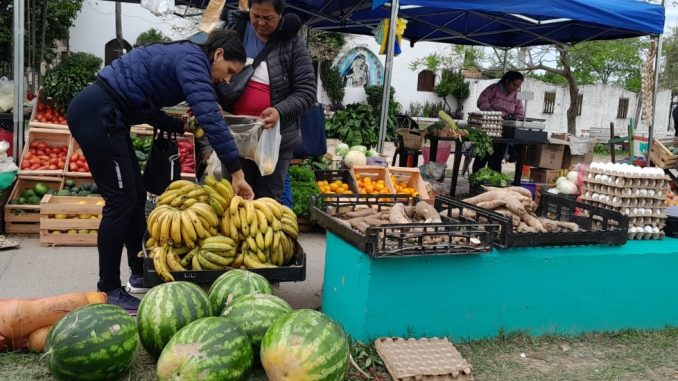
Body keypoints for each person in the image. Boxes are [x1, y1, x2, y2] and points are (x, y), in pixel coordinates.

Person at [66, 30, 254, 312]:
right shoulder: (193, 61)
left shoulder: (186, 57)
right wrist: (237, 173)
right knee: (120, 202)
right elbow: (211, 120)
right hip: (97, 112)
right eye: (229, 71)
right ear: (217, 55)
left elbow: (143, 105)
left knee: (135, 195)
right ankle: (108, 289)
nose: (227, 79)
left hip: (107, 114)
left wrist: (179, 126)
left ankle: (139, 271)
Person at [219, 0, 316, 201]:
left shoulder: (293, 44)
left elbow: (307, 92)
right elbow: (211, 72)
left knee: (267, 202)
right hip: (234, 136)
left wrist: (280, 111)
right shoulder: (232, 33)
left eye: (268, 18)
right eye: (256, 16)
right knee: (232, 197)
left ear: (281, 15)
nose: (260, 23)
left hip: (274, 140)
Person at [473, 71, 525, 173]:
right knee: (482, 157)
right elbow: (481, 101)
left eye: (518, 86)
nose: (515, 88)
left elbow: (519, 113)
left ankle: (493, 184)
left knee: (496, 159)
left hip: (504, 130)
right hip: (488, 126)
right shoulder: (494, 88)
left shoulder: (516, 96)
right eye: (514, 84)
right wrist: (494, 114)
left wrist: (512, 120)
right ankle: (475, 182)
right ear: (507, 81)